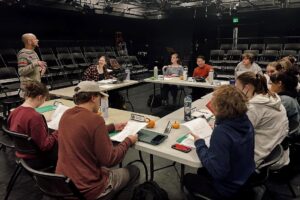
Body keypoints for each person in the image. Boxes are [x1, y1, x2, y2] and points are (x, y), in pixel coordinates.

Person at [56, 81, 140, 200]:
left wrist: (112, 127)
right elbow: (110, 159)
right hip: (88, 189)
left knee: (103, 170)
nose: (100, 102)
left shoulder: (66, 114)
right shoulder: (95, 119)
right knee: (134, 171)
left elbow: (84, 130)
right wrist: (128, 140)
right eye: (100, 97)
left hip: (65, 185)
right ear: (93, 97)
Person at [184, 85, 255, 199]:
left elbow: (218, 172)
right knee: (201, 171)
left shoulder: (222, 132)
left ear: (220, 107)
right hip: (245, 179)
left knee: (188, 178)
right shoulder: (245, 121)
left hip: (228, 189)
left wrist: (199, 143)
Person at [235, 72, 289, 169]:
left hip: (258, 157)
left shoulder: (254, 107)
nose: (236, 90)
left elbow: (237, 134)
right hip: (272, 150)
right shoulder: (272, 98)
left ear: (247, 87)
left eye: (237, 87)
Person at [8, 80, 58, 168]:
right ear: (40, 97)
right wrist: (57, 132)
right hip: (36, 158)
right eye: (44, 99)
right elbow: (45, 146)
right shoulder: (35, 117)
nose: (44, 102)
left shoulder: (14, 112)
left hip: (22, 153)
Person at [270, 67, 300, 135]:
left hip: (288, 138)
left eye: (272, 83)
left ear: (279, 83)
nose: (270, 86)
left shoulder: (285, 100)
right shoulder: (288, 98)